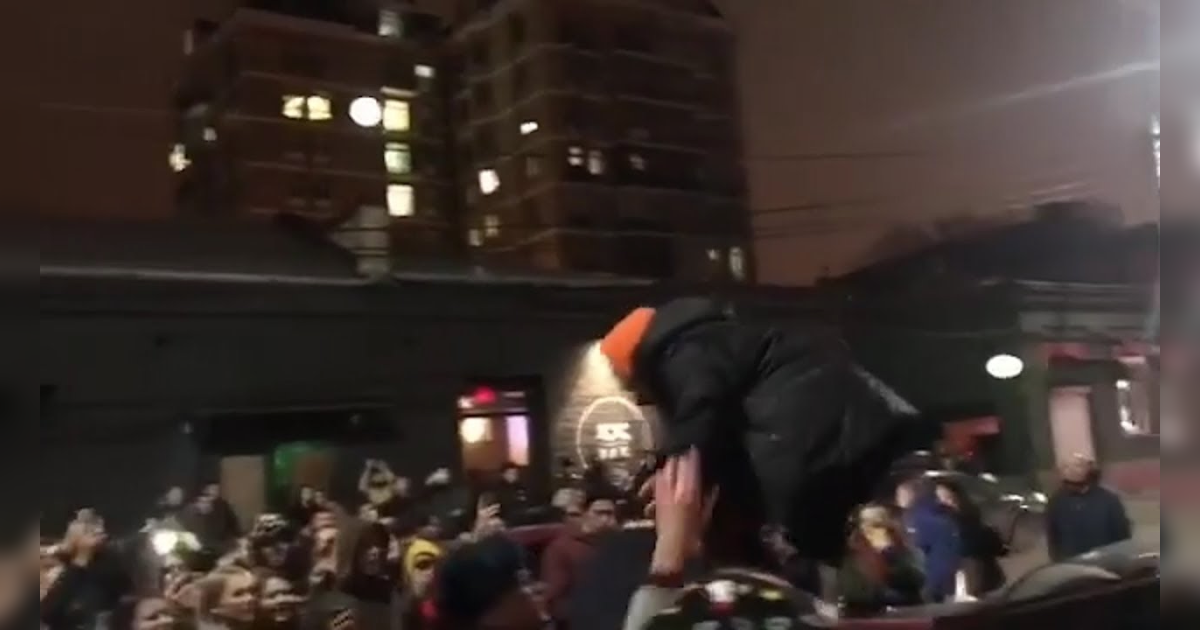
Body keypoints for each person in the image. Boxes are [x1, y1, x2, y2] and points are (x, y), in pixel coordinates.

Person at [598, 297, 933, 572]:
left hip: (810, 438)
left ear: (634, 362)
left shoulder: (684, 353)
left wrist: (674, 468)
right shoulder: (725, 338)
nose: (633, 394)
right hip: (855, 428)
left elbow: (701, 406)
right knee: (827, 534)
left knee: (801, 533)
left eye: (622, 378)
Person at [541, 496, 618, 627]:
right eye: (599, 513)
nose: (605, 519)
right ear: (584, 514)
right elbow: (555, 597)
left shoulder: (618, 545)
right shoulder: (562, 548)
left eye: (610, 514)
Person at [836, 504, 925, 615]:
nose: (867, 529)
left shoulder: (907, 554)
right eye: (863, 524)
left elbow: (915, 580)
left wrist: (886, 566)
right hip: (860, 615)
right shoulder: (850, 556)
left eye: (877, 524)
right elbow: (853, 593)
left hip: (903, 615)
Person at [1045, 456, 1132, 562]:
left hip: (1105, 560)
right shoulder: (1057, 501)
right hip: (1072, 562)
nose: (1072, 487)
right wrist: (1057, 560)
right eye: (1069, 483)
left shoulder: (1108, 500)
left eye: (1077, 484)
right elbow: (1053, 535)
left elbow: (1122, 534)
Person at [933, 479, 1006, 595]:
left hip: (976, 563)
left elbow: (976, 537)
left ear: (956, 493)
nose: (944, 499)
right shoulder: (944, 517)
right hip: (964, 565)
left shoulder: (969, 513)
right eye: (940, 496)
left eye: (945, 495)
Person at [895, 478, 960, 602]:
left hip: (935, 576)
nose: (897, 499)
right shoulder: (939, 511)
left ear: (911, 494)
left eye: (900, 494)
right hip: (950, 574)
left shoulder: (918, 517)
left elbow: (917, 546)